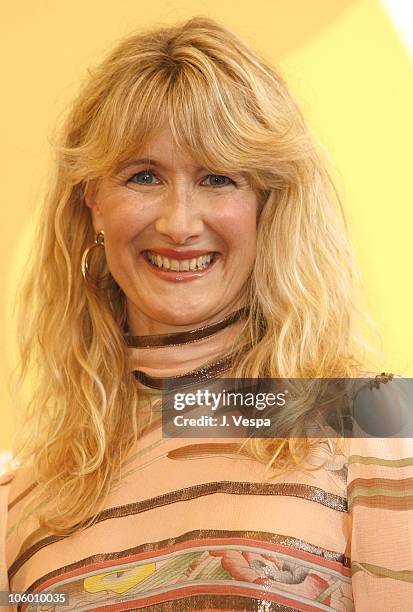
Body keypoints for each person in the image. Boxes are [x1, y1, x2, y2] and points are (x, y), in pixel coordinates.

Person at [1, 16, 412, 611]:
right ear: (92, 200)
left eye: (218, 178)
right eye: (144, 176)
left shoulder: (374, 422)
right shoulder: (23, 503)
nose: (179, 222)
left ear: (267, 204)